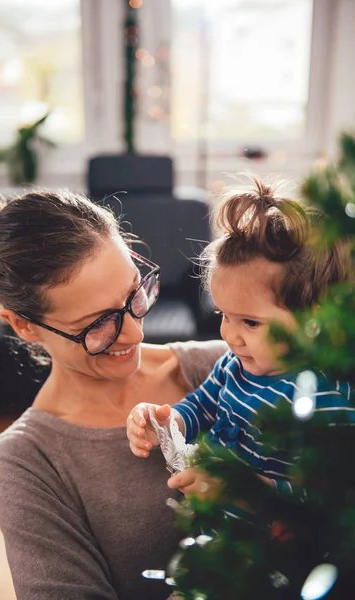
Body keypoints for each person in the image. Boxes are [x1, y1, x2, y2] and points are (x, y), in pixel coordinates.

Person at [0, 189, 227, 600]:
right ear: (24, 326)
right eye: (97, 323)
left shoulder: (224, 367)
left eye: (135, 292)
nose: (136, 332)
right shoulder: (26, 463)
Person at [127, 180, 355, 500]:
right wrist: (167, 424)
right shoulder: (233, 366)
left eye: (250, 322)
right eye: (223, 314)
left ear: (313, 321)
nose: (228, 335)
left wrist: (244, 490)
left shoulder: (323, 397)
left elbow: (327, 499)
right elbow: (202, 406)